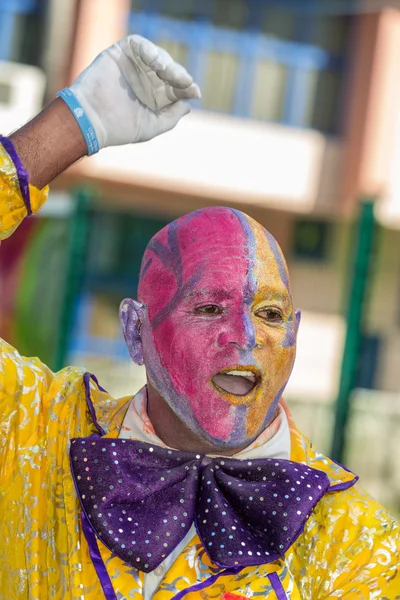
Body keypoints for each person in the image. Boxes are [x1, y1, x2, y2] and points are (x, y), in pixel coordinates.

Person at [0, 34, 399, 600]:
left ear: (295, 334)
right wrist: (67, 129)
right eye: (209, 307)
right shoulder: (33, 431)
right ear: (135, 332)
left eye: (269, 313)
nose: (245, 336)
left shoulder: (357, 547)